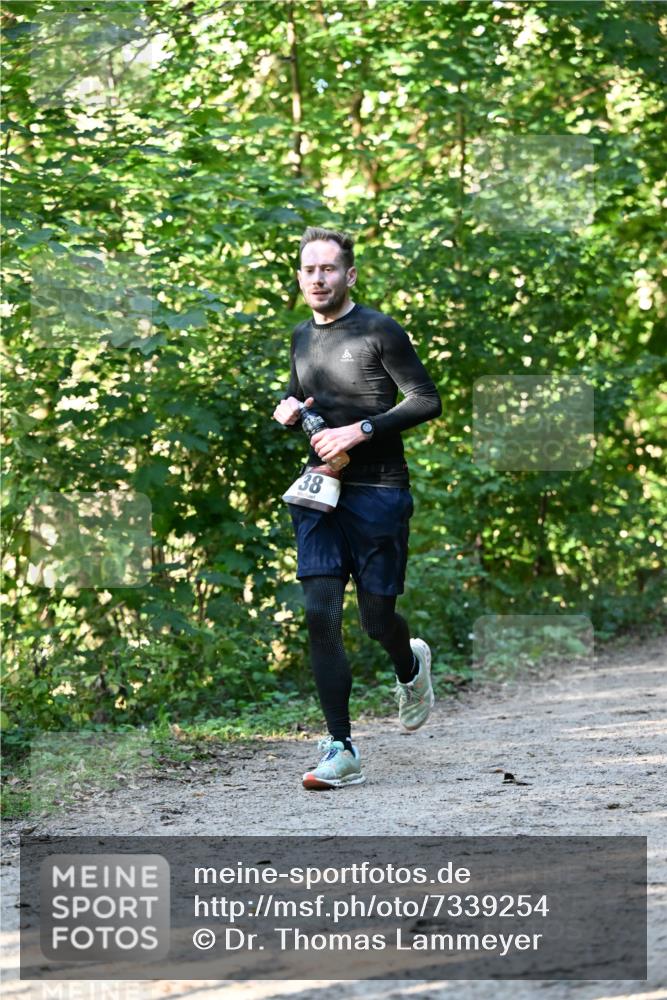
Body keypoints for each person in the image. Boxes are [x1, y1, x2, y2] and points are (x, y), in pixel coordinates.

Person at [272, 227, 442, 790]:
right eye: (309, 270)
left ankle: (409, 663)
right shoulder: (301, 336)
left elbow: (426, 400)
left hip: (379, 491)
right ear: (300, 278)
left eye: (328, 269)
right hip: (321, 492)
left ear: (349, 275)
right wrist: (290, 409)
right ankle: (341, 747)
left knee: (375, 620)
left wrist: (360, 430)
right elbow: (306, 398)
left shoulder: (378, 329)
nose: (318, 279)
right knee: (319, 613)